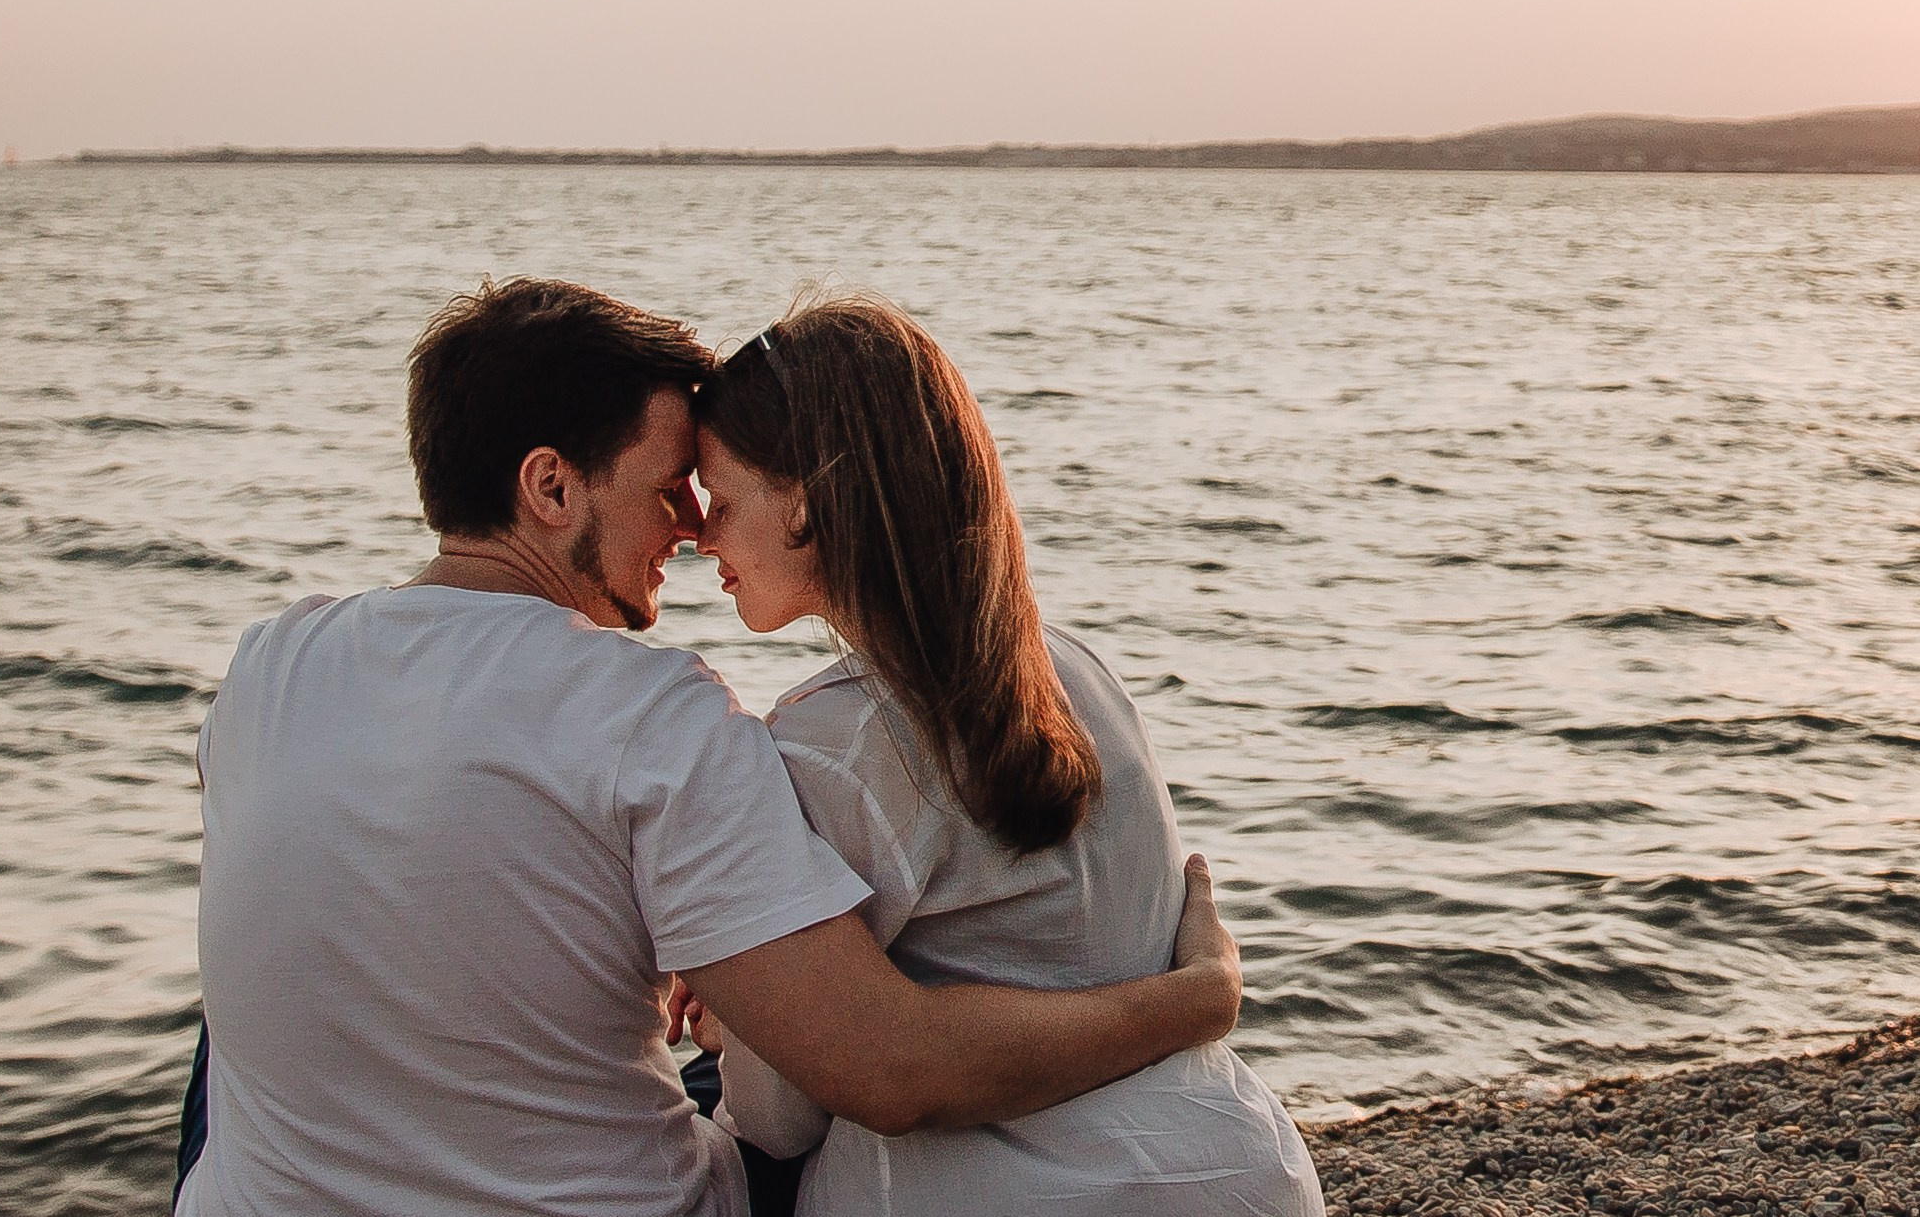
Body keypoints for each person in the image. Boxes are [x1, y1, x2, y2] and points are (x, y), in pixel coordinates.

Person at [174, 278, 1246, 1217]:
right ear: (549, 487)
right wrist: (1192, 998)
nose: (688, 528)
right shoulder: (655, 710)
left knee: (235, 1039)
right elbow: (887, 1069)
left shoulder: (269, 662)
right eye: (667, 486)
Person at [686, 297, 1323, 1217]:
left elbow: (784, 1119)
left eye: (723, 499)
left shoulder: (828, 748)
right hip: (1241, 1171)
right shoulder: (1077, 668)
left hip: (1008, 1196)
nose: (703, 535)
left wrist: (741, 1019)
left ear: (809, 505)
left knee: (701, 1122)